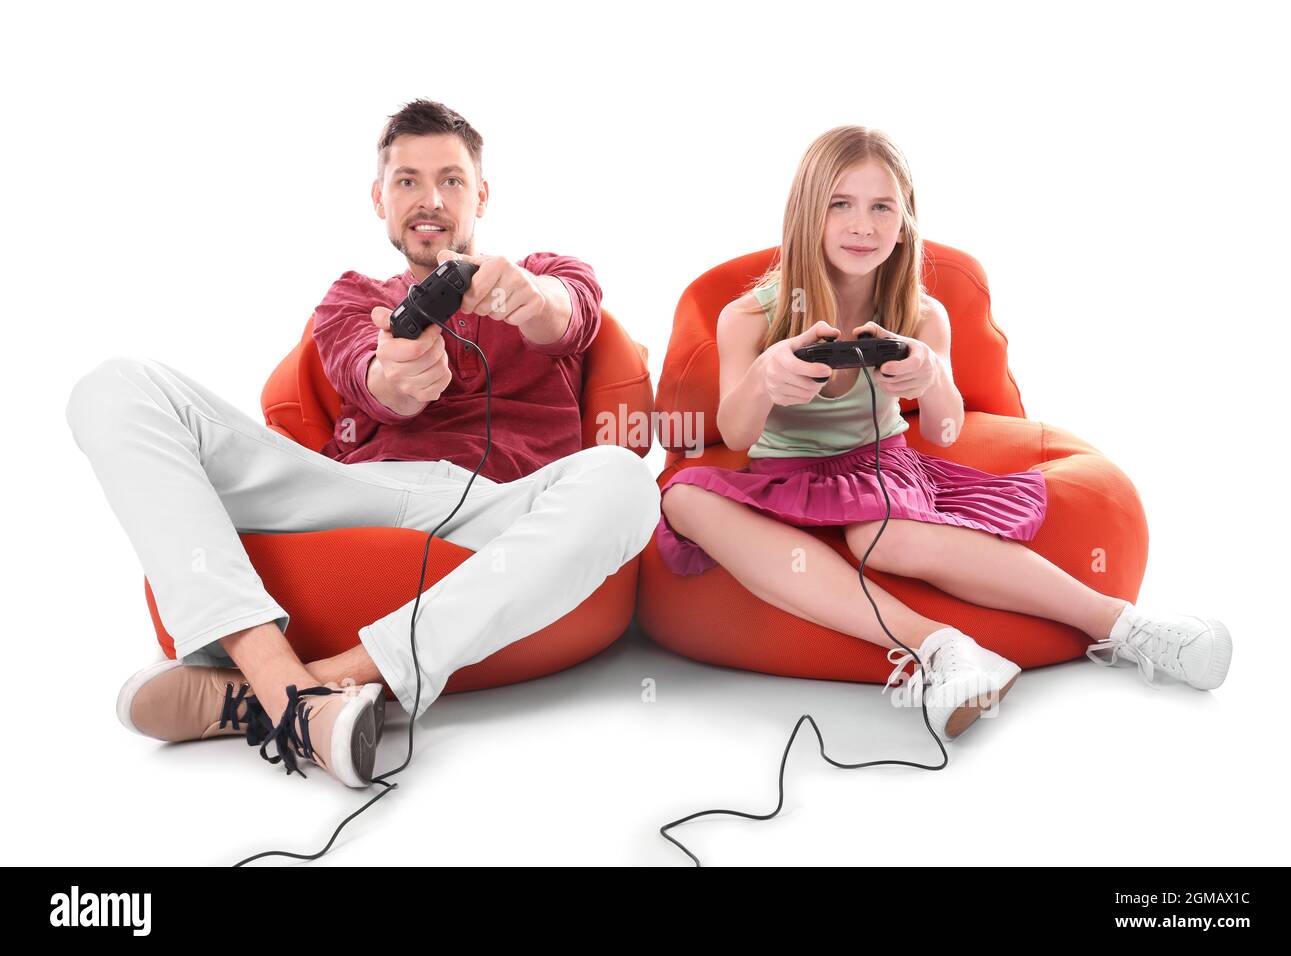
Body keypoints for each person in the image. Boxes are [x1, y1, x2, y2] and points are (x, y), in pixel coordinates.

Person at [66, 99, 661, 788]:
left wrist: (534, 300)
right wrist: (398, 378)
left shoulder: (543, 271)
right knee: (115, 387)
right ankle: (281, 678)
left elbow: (571, 311)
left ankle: (281, 694)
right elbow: (368, 376)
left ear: (482, 195)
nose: (430, 199)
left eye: (452, 180)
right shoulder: (352, 299)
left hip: (503, 510)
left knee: (627, 480)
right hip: (362, 494)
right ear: (380, 198)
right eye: (407, 180)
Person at [655, 125, 1232, 741]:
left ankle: (1123, 626)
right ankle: (941, 647)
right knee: (682, 497)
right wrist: (767, 379)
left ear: (904, 223)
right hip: (784, 481)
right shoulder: (747, 315)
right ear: (807, 214)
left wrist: (931, 377)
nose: (863, 226)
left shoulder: (924, 314)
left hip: (879, 475)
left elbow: (947, 430)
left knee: (883, 541)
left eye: (883, 208)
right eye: (841, 204)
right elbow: (736, 435)